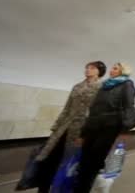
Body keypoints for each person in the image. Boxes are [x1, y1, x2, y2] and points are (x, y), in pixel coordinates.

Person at [34, 61, 106, 193]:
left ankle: (63, 189)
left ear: (99, 71)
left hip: (81, 130)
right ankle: (43, 189)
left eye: (91, 68)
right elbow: (67, 108)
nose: (87, 70)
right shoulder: (77, 86)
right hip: (64, 128)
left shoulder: (102, 88)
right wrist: (56, 126)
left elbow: (98, 113)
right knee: (50, 160)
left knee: (70, 163)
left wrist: (89, 134)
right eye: (87, 68)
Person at [75, 62, 135, 193]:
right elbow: (93, 110)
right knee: (84, 162)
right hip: (93, 126)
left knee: (94, 162)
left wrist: (124, 130)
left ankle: (85, 189)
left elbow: (129, 107)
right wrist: (83, 133)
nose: (111, 70)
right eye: (112, 68)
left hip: (109, 127)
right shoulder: (104, 86)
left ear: (123, 71)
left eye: (115, 68)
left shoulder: (127, 84)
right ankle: (83, 188)